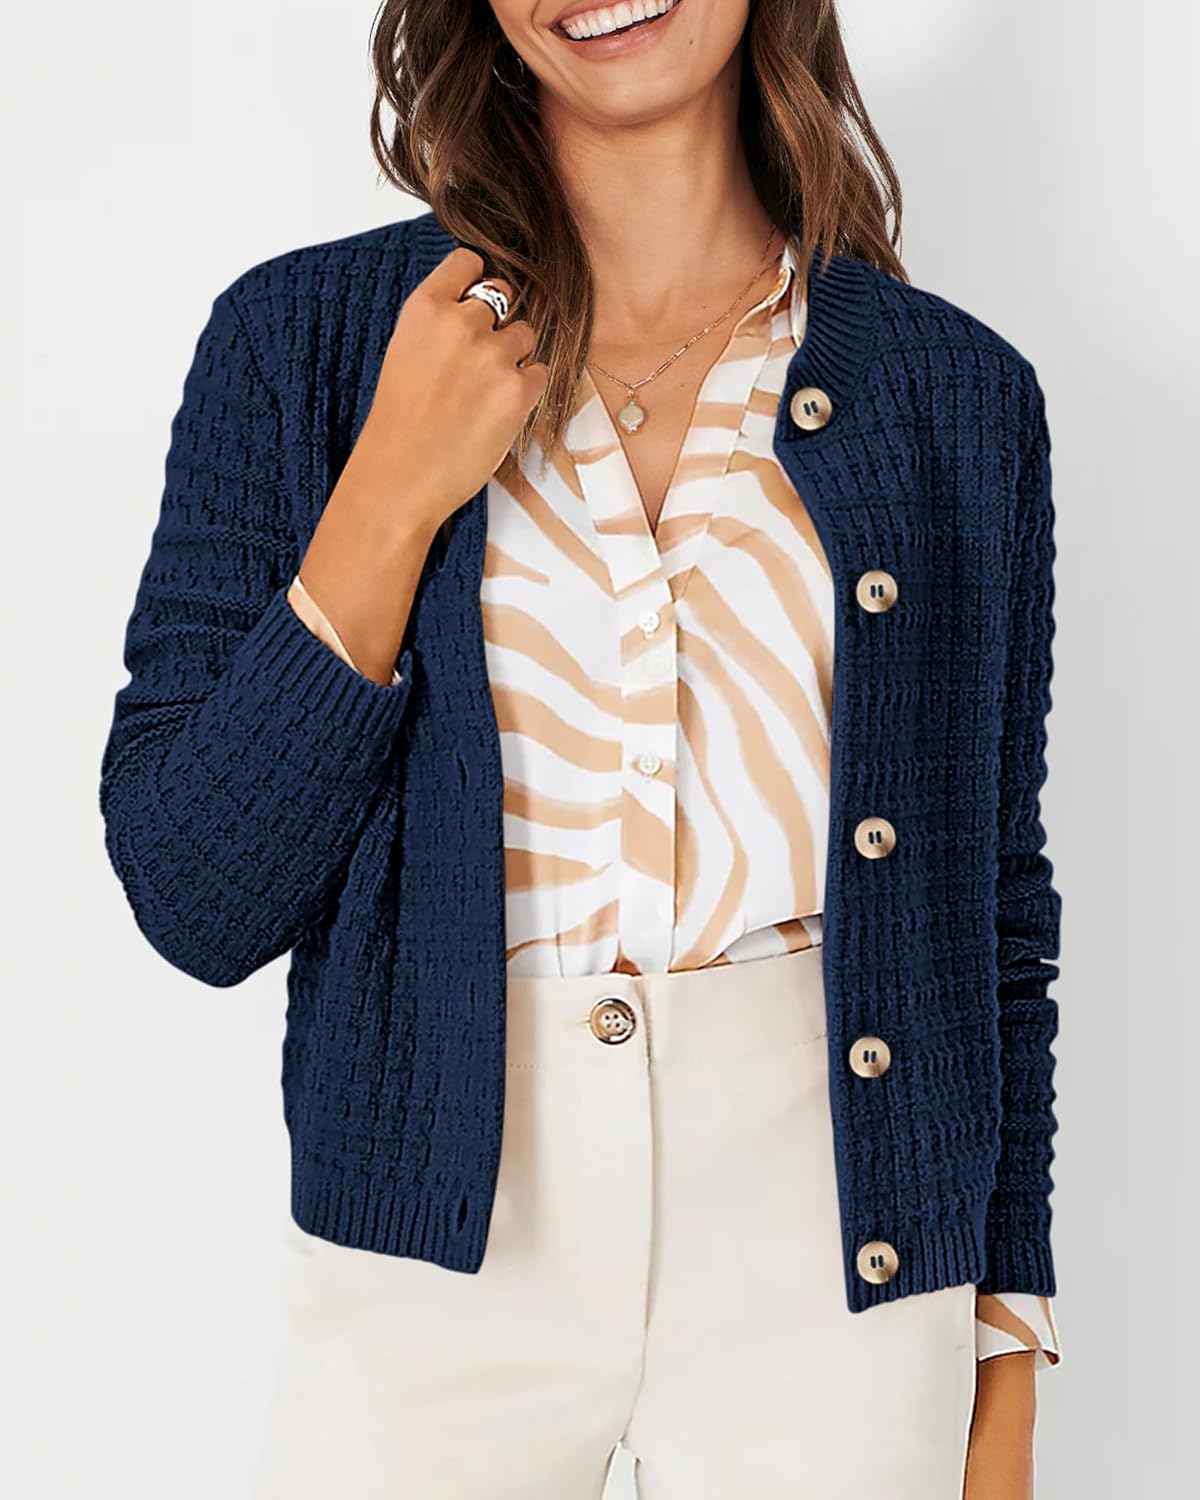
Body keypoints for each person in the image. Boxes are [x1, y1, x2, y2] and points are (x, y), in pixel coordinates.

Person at [98, 1, 1064, 1495]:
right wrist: (389, 489)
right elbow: (194, 893)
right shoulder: (304, 344)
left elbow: (993, 912)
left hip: (839, 1251)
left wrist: (1002, 1359)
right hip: (433, 1252)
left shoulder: (956, 396)